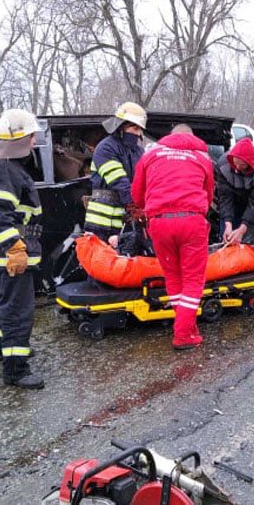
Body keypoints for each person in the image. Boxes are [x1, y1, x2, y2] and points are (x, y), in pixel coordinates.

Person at [131, 124, 214, 350]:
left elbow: (137, 195)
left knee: (174, 277)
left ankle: (185, 325)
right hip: (191, 221)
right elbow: (209, 194)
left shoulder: (151, 155)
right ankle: (183, 333)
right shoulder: (201, 157)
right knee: (193, 280)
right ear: (191, 137)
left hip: (159, 222)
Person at [0, 108, 45, 389]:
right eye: (31, 136)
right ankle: (16, 369)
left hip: (13, 250)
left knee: (8, 303)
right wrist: (14, 246)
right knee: (19, 310)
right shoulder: (4, 168)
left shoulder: (4, 163)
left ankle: (1, 348)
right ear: (22, 137)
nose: (34, 142)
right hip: (13, 252)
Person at [84, 102, 147, 240]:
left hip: (124, 219)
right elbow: (118, 180)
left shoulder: (139, 151)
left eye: (140, 130)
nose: (138, 134)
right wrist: (133, 205)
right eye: (135, 128)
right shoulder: (105, 148)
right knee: (98, 259)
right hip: (101, 221)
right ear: (121, 126)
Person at [215, 137, 254, 252]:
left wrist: (243, 228)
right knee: (226, 239)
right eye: (235, 163)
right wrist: (228, 223)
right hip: (234, 200)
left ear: (250, 163)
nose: (237, 168)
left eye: (242, 165)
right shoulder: (222, 165)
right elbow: (225, 197)